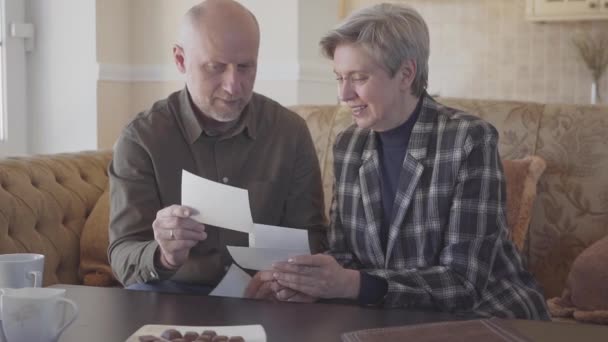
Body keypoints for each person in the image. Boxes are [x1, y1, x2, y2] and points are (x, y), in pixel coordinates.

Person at [263, 3, 550, 320]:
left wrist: (354, 284)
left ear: (406, 74)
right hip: (389, 313)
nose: (343, 94)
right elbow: (344, 253)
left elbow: (463, 284)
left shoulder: (470, 141)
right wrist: (306, 281)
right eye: (339, 78)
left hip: (482, 313)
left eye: (358, 77)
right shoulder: (348, 145)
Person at [108, 0, 326, 296]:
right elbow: (123, 255)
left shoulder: (289, 132)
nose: (233, 85)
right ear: (181, 60)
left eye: (246, 67)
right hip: (170, 294)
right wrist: (164, 254)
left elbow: (312, 239)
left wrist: (282, 281)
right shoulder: (142, 139)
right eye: (216, 67)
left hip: (266, 299)